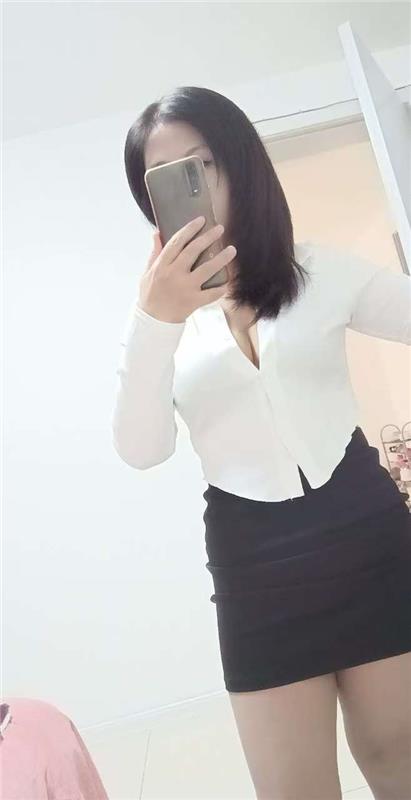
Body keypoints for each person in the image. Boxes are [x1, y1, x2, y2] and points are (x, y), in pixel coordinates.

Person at [112, 86, 411, 799]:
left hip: (370, 538)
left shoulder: (321, 271)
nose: (188, 189)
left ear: (239, 163)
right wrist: (156, 318)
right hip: (256, 569)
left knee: (399, 758)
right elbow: (142, 448)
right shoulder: (156, 322)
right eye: (162, 179)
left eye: (200, 164)